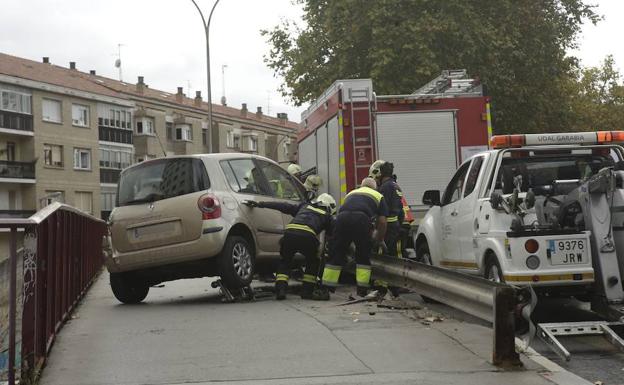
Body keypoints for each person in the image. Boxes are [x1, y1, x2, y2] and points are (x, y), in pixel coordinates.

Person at [243, 193, 336, 300]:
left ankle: (281, 290)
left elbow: (282, 206)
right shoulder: (327, 215)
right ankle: (307, 291)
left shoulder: (304, 206)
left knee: (285, 261)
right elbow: (332, 236)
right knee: (313, 261)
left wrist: (260, 204)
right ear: (329, 206)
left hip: (289, 233)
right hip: (308, 236)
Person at [319, 177, 388, 298]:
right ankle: (362, 289)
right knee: (362, 254)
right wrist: (379, 239)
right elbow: (382, 221)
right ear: (374, 187)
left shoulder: (351, 193)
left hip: (341, 219)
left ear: (361, 186)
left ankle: (326, 288)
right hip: (361, 219)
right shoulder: (378, 195)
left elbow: (346, 209)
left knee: (337, 252)